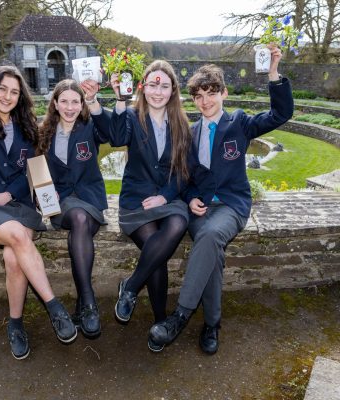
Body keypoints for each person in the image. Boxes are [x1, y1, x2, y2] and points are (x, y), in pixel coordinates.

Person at [149, 45, 294, 354]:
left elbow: (281, 113)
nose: (205, 101)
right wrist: (188, 200)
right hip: (201, 209)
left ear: (223, 94)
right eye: (199, 96)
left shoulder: (239, 122)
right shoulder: (191, 132)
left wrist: (273, 73)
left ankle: (180, 316)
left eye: (211, 93)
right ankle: (212, 324)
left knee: (213, 235)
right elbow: (184, 178)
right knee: (211, 254)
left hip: (231, 206)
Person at [0, 64, 76, 360]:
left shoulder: (27, 128)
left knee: (13, 256)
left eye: (15, 92)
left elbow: (32, 173)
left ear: (21, 97)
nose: (8, 96)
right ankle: (55, 308)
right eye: (3, 89)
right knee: (19, 236)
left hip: (18, 205)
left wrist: (9, 193)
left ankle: (15, 324)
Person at [109, 60, 193, 352]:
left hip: (168, 199)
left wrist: (166, 197)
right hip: (137, 202)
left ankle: (130, 287)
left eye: (165, 85)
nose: (158, 91)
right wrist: (120, 99)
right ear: (143, 87)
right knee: (154, 253)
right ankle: (160, 322)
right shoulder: (132, 117)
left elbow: (184, 171)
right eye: (153, 84)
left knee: (178, 225)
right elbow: (117, 137)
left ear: (173, 90)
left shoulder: (182, 124)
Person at [37, 79, 111, 338]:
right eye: (64, 101)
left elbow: (112, 132)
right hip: (62, 204)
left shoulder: (90, 127)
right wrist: (45, 196)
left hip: (91, 199)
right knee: (78, 218)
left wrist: (94, 102)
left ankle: (83, 307)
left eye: (75, 102)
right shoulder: (43, 131)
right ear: (55, 103)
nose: (69, 107)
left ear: (82, 105)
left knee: (81, 223)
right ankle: (89, 303)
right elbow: (37, 172)